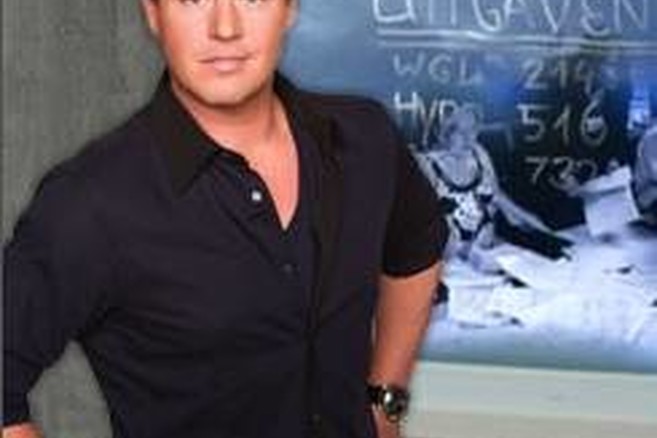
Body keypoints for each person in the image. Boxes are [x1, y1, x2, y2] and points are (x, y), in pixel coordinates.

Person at [3, 1, 446, 438]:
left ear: (289, 8)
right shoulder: (92, 201)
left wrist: (386, 401)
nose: (226, 27)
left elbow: (418, 245)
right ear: (154, 13)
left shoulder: (363, 138)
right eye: (194, 0)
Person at [416, 106, 548, 270]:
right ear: (446, 133)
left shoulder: (479, 154)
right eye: (460, 131)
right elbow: (421, 225)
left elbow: (499, 199)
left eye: (472, 130)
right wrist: (465, 252)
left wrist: (542, 229)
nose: (467, 137)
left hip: (489, 255)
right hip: (451, 264)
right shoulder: (427, 163)